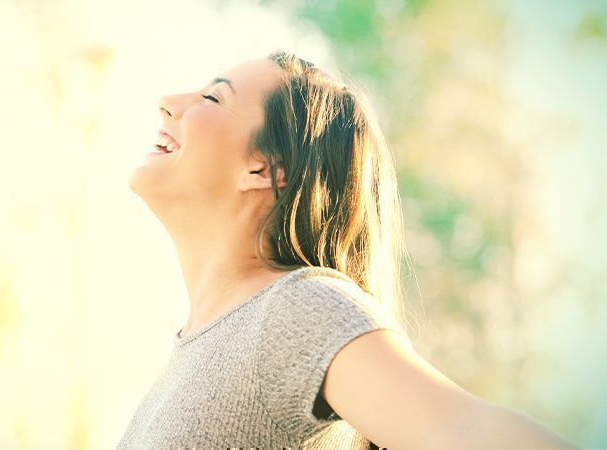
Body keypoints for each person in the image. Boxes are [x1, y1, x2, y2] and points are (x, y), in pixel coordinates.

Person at [118, 49, 577, 449]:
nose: (168, 104)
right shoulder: (197, 349)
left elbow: (464, 431)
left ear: (265, 169)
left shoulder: (294, 310)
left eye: (213, 98)